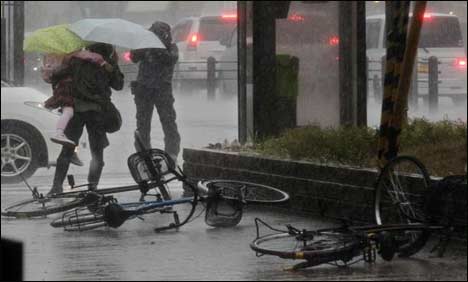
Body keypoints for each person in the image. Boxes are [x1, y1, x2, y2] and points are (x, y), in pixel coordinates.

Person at [47, 43, 124, 195]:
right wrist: (111, 67)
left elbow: (55, 76)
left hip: (77, 110)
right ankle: (92, 187)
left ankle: (56, 187)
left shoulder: (77, 60)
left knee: (67, 150)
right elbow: (119, 85)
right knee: (97, 153)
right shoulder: (107, 64)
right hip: (98, 112)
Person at [130, 21, 181, 162]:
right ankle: (144, 154)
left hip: (162, 90)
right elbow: (133, 57)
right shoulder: (144, 45)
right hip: (144, 89)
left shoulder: (171, 47)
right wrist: (145, 45)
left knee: (168, 122)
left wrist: (158, 47)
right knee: (143, 124)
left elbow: (170, 59)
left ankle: (171, 154)